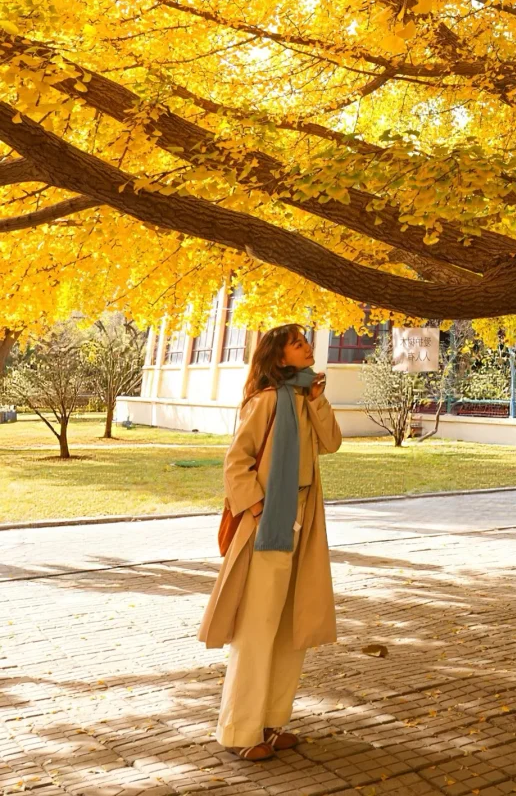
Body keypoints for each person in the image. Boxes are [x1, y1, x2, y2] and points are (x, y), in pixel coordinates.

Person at [199, 323, 342, 761]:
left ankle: (273, 722)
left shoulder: (306, 397)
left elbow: (332, 443)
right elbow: (236, 463)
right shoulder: (263, 401)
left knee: (290, 629)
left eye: (305, 341)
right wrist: (260, 511)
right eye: (298, 344)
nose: (307, 347)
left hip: (304, 522)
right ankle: (240, 730)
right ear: (280, 357)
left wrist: (317, 400)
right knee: (258, 627)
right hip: (268, 525)